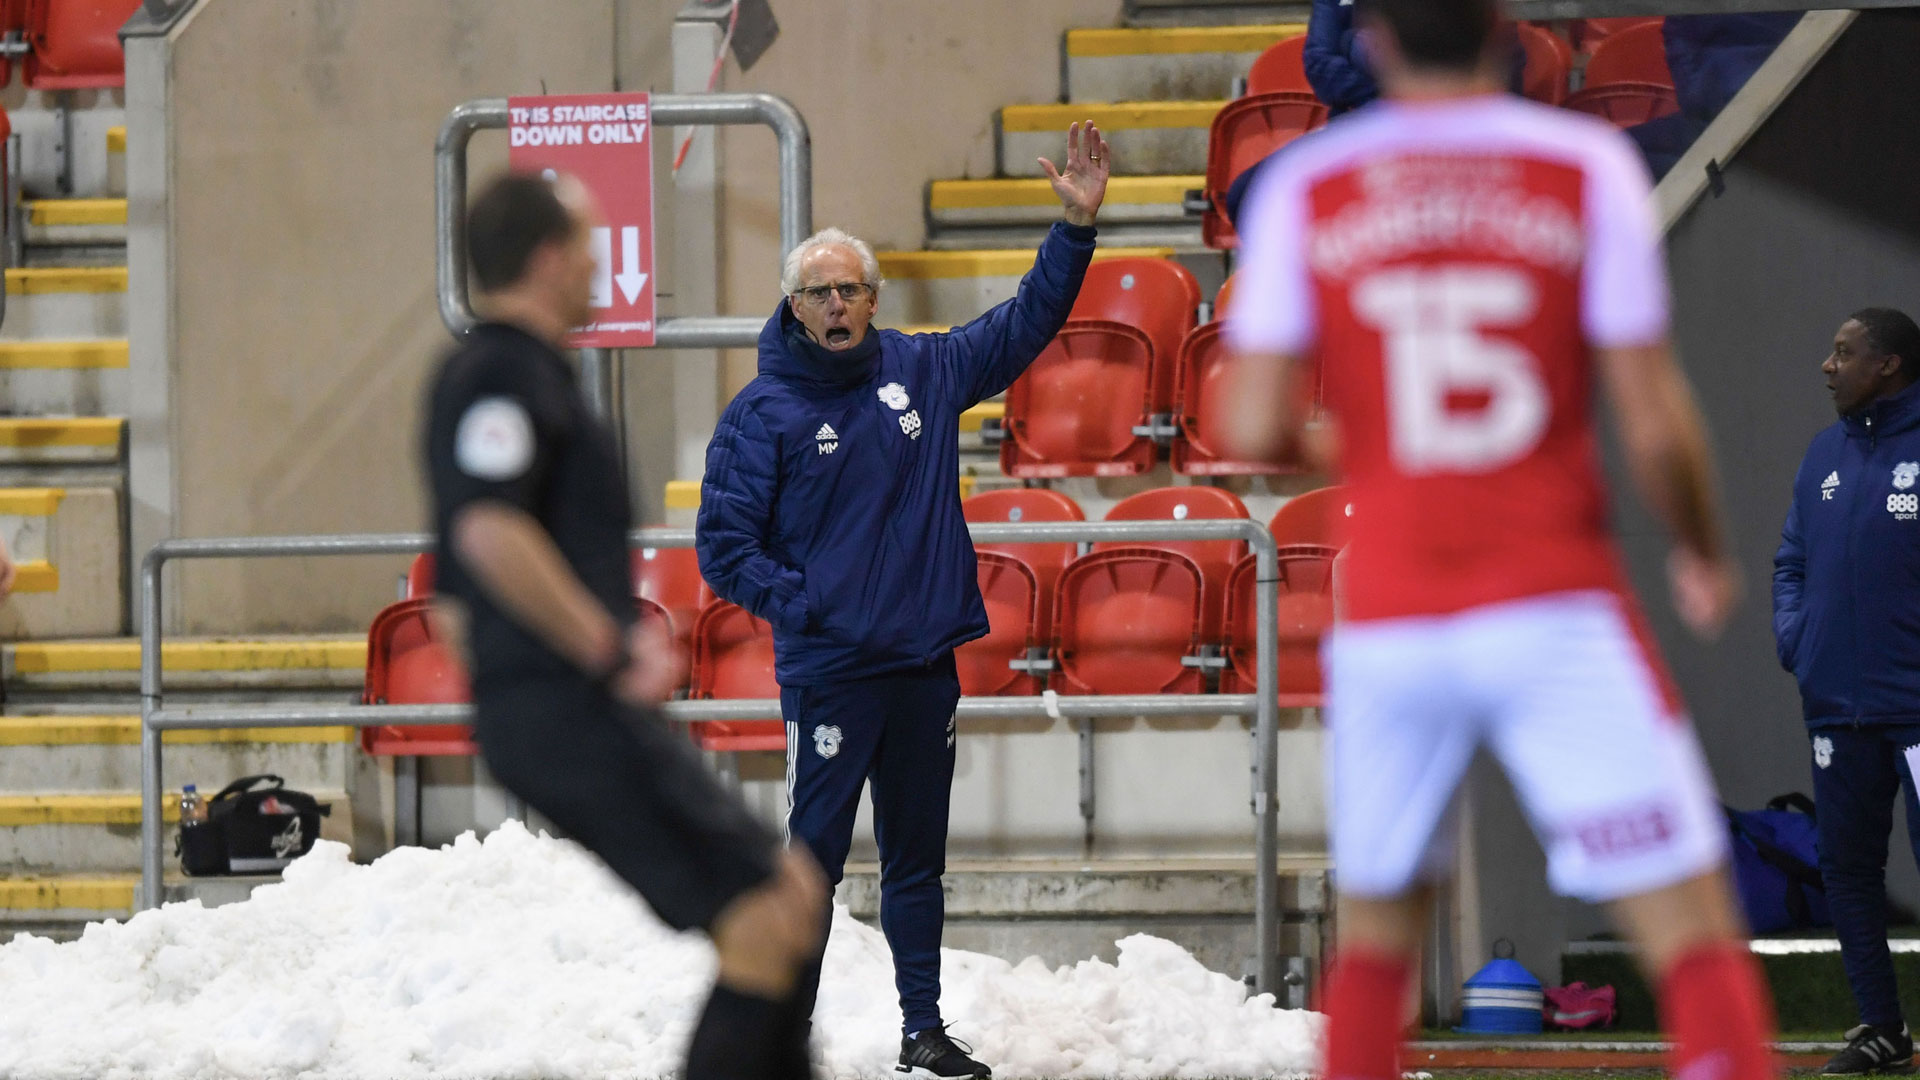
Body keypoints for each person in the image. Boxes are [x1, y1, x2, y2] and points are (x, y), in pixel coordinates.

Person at [1222, 2, 1779, 1079]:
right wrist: (1703, 550)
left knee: (1377, 954)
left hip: (1390, 610)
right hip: (1553, 597)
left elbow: (1249, 427)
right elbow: (1655, 420)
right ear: (1512, 34)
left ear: (1371, 41)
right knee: (1695, 935)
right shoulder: (1581, 165)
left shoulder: (1305, 184)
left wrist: (1378, 446)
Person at [696, 122, 1110, 1080]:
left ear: (873, 299)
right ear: (793, 307)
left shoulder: (920, 369)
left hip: (924, 671)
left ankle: (921, 1029)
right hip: (833, 678)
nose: (837, 304)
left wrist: (1076, 227)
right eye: (819, 292)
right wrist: (811, 608)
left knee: (918, 866)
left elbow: (1023, 325)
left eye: (851, 289)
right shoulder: (763, 415)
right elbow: (724, 550)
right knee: (808, 871)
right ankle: (776, 1042)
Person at [422, 172, 827, 1080]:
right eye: (591, 251)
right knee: (766, 916)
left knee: (791, 901)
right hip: (569, 706)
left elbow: (454, 595)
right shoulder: (499, 373)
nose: (602, 269)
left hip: (573, 706)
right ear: (550, 258)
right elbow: (489, 531)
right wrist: (600, 647)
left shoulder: (518, 378)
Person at [1774, 309, 1920, 1075]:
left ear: (1889, 364)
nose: (1827, 367)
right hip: (1839, 707)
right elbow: (1790, 562)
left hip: (1918, 713)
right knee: (1849, 870)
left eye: (1844, 353)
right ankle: (1882, 1030)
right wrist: (1799, 640)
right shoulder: (1822, 455)